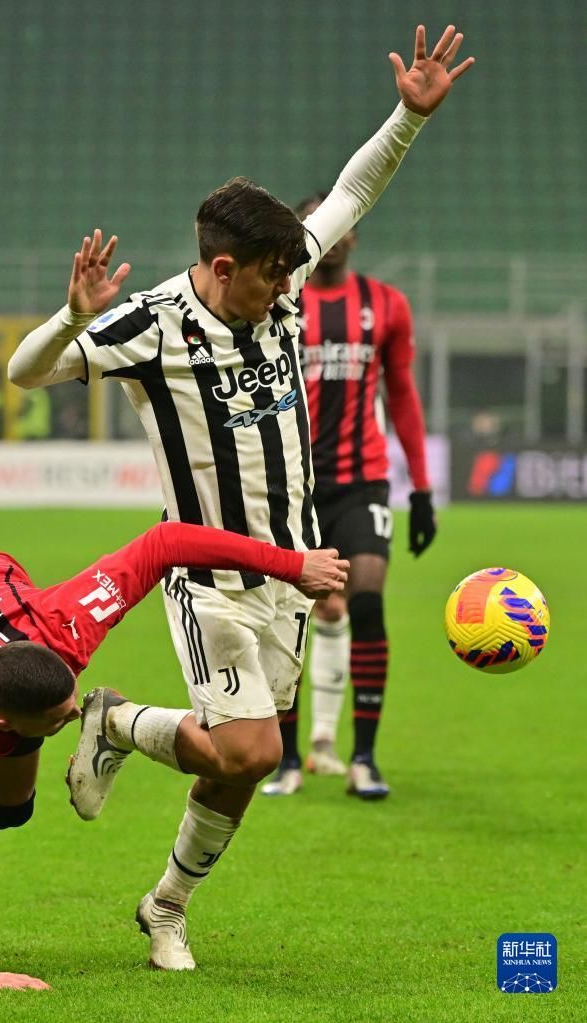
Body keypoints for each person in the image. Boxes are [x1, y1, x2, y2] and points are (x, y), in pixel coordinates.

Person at [9, 25, 472, 970]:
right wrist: (71, 316)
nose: (282, 288)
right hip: (207, 570)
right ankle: (117, 730)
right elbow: (23, 376)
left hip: (292, 566)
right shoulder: (149, 327)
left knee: (239, 766)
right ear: (223, 267)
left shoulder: (282, 272)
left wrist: (407, 118)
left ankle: (161, 892)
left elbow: (350, 193)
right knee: (256, 748)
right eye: (267, 275)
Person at [0, 522, 346, 990]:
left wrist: (293, 566)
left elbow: (165, 542)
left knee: (10, 804)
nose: (73, 716)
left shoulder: (65, 623)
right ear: (3, 722)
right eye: (56, 720)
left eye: (70, 700)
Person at [260, 192, 437, 802]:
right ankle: (286, 760)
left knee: (366, 603)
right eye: (318, 225)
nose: (334, 235)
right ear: (299, 235)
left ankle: (363, 759)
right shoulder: (277, 300)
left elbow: (405, 398)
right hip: (291, 488)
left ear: (355, 234)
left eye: (343, 224)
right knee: (287, 619)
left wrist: (422, 489)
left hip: (362, 483)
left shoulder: (386, 305)